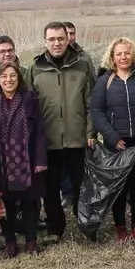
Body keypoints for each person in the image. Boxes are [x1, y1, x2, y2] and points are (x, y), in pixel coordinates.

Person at [90, 37, 135, 242]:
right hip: (116, 144)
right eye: (119, 53)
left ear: (134, 54)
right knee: (118, 187)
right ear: (112, 57)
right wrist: (112, 137)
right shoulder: (105, 81)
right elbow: (97, 111)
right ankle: (120, 227)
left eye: (127, 52)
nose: (123, 57)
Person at [32, 22, 96, 245]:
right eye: (52, 39)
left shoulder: (82, 64)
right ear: (45, 42)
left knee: (82, 186)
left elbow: (91, 102)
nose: (57, 43)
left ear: (67, 39)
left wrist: (91, 132)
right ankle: (54, 229)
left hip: (78, 139)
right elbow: (31, 108)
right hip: (48, 142)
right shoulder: (36, 68)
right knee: (50, 189)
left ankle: (86, 225)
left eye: (61, 38)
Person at [0, 61, 49, 257]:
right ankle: (10, 241)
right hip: (0, 159)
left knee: (29, 202)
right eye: (4, 76)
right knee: (5, 202)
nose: (9, 80)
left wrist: (40, 159)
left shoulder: (29, 98)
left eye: (13, 76)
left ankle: (31, 241)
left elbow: (40, 131)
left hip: (26, 158)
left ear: (19, 78)